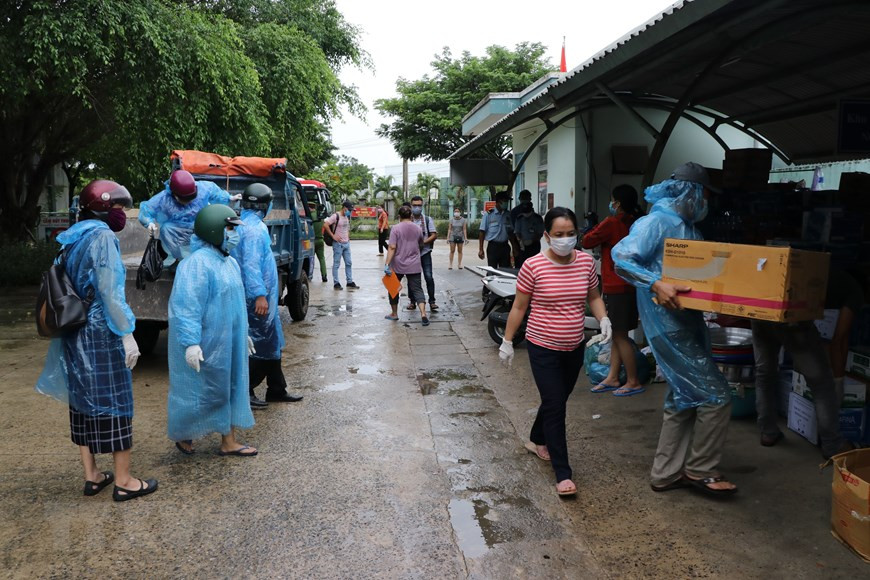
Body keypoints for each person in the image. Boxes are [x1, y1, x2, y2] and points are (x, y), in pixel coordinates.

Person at [612, 162, 737, 497]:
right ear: (689, 192)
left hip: (687, 321)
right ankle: (701, 470)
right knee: (717, 395)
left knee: (683, 396)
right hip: (668, 325)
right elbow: (621, 257)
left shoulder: (686, 226)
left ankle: (665, 473)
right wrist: (656, 284)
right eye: (705, 195)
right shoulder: (657, 221)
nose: (707, 202)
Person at [36, 180, 158, 502]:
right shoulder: (103, 236)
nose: (121, 215)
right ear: (104, 207)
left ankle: (92, 476)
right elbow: (110, 292)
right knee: (116, 401)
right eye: (118, 208)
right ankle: (124, 480)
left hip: (74, 331)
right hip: (100, 332)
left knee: (82, 401)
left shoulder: (72, 237)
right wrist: (127, 332)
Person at [499, 207, 612, 497]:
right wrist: (508, 341)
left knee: (556, 399)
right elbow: (520, 307)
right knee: (556, 405)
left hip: (573, 346)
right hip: (542, 346)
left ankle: (536, 437)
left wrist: (603, 319)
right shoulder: (533, 266)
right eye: (559, 235)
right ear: (547, 236)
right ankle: (563, 474)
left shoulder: (586, 263)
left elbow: (594, 297)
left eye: (570, 234)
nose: (565, 239)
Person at [167, 204, 257, 457]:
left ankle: (228, 441)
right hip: (205, 342)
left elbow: (236, 305)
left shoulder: (229, 263)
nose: (234, 234)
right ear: (214, 230)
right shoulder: (195, 265)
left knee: (224, 388)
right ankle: (184, 433)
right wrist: (190, 343)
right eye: (230, 228)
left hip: (228, 342)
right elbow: (186, 308)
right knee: (200, 390)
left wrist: (244, 334)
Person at [751, 268, 861, 459]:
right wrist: (839, 379)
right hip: (794, 320)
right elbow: (839, 339)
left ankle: (768, 432)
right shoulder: (855, 291)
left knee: (764, 375)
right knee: (822, 385)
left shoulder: (830, 272)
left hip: (762, 312)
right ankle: (833, 444)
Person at [231, 183, 304, 408]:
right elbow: (251, 266)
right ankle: (246, 391)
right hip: (257, 299)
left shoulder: (246, 223)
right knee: (259, 346)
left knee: (272, 344)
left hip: (264, 297)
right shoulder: (254, 230)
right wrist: (260, 295)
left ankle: (276, 389)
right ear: (265, 204)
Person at [582, 184, 644, 396]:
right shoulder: (637, 222)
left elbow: (587, 240)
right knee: (618, 334)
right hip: (631, 285)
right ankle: (613, 377)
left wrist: (593, 225)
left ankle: (633, 380)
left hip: (616, 286)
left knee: (618, 334)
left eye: (612, 200)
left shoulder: (612, 223)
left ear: (617, 203)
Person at [138, 169, 240, 262]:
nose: (188, 202)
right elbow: (147, 209)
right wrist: (149, 222)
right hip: (176, 230)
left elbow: (216, 193)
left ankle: (204, 258)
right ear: (174, 194)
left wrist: (229, 198)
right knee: (166, 229)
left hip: (199, 226)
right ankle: (177, 259)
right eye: (184, 199)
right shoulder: (163, 198)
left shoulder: (204, 188)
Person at [384, 205, 430, 326]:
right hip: (414, 264)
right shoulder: (417, 228)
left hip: (398, 264)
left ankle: (394, 313)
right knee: (417, 289)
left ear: (399, 216)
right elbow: (421, 243)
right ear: (411, 216)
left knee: (393, 288)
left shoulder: (395, 228)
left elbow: (392, 247)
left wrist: (387, 264)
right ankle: (423, 314)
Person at [407, 196, 439, 311]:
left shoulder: (427, 219)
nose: (417, 208)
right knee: (412, 278)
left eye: (419, 205)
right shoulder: (407, 220)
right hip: (411, 254)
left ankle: (432, 301)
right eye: (414, 205)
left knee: (428, 277)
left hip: (425, 252)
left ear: (422, 206)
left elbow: (434, 235)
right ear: (411, 206)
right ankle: (412, 301)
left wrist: (423, 242)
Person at [323, 200, 359, 290]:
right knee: (336, 264)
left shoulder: (347, 217)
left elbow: (346, 228)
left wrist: (348, 238)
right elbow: (325, 225)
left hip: (346, 243)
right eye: (349, 210)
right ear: (344, 208)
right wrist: (333, 236)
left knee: (349, 263)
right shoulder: (336, 216)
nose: (350, 212)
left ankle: (349, 281)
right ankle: (336, 283)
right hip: (338, 244)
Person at [509, 189, 545, 268]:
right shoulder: (516, 214)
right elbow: (514, 231)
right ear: (520, 199)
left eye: (527, 198)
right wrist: (517, 244)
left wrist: (533, 240)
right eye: (523, 198)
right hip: (520, 245)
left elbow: (540, 232)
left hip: (534, 245)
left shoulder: (537, 217)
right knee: (520, 265)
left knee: (534, 265)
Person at [478, 191, 513, 268]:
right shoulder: (488, 214)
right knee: (492, 270)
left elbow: (510, 233)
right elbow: (482, 231)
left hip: (505, 246)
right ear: (498, 201)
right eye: (505, 201)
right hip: (493, 247)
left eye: (507, 201)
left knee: (505, 271)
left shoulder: (508, 215)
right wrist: (481, 249)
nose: (506, 203)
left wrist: (514, 247)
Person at [308, 200, 328, 283]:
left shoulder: (309, 216)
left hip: (312, 241)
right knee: (322, 258)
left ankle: (310, 275)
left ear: (309, 207)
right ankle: (324, 276)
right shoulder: (321, 216)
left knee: (311, 259)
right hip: (320, 240)